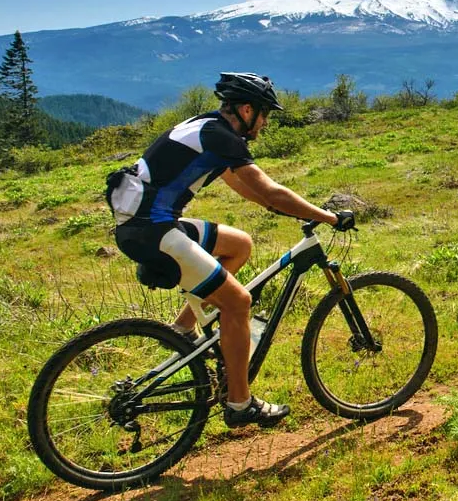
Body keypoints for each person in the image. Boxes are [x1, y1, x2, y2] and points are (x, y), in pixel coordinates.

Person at [105, 72, 352, 428]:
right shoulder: (222, 137)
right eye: (265, 114)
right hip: (154, 231)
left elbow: (245, 186)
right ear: (247, 109)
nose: (265, 123)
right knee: (238, 304)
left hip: (144, 225)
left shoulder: (206, 126)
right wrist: (327, 217)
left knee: (239, 245)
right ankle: (240, 403)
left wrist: (275, 206)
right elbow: (269, 189)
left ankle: (183, 332)